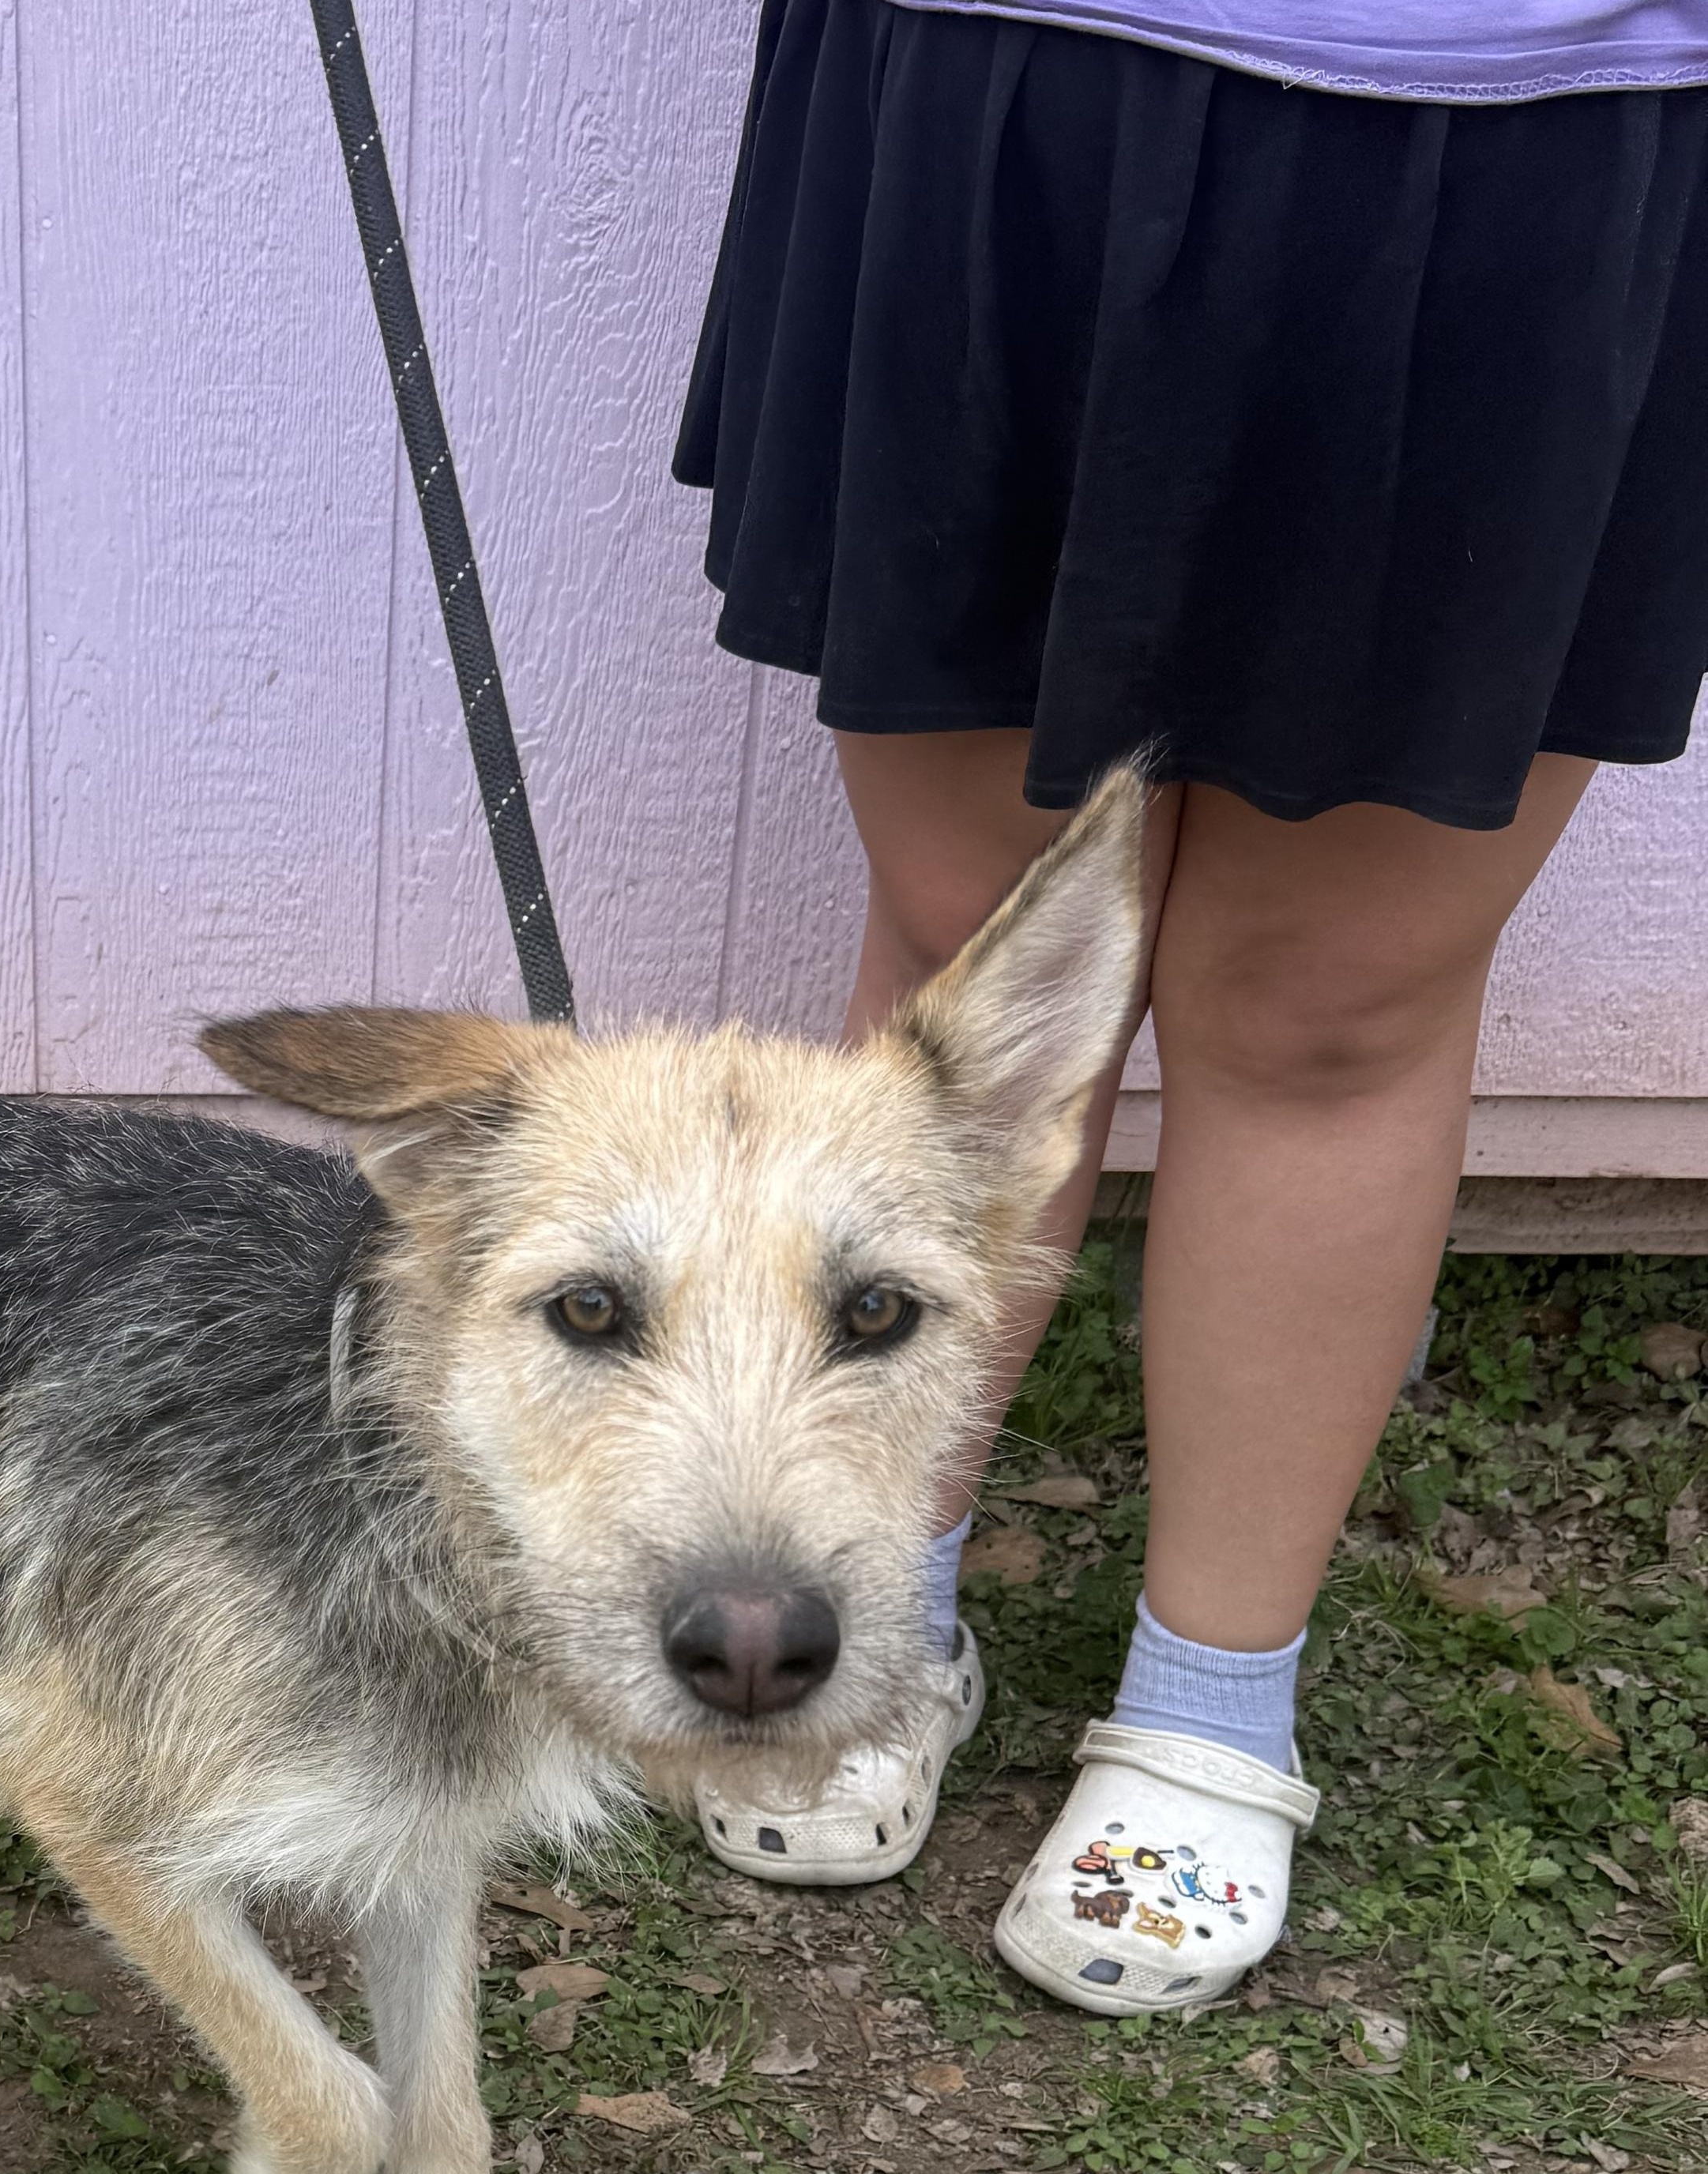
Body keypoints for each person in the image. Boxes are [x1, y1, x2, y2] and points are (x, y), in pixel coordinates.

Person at [672, 0, 1708, 2010]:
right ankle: (873, 1587)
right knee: (983, 942)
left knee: (1336, 997)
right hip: (1013, 67)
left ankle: (1216, 1698)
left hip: (1542, 107)